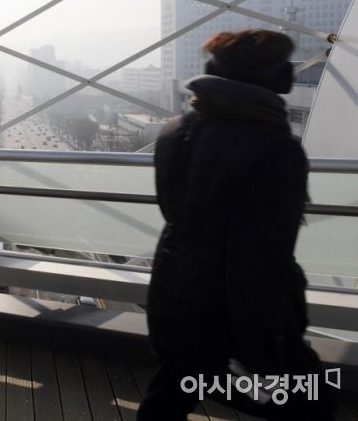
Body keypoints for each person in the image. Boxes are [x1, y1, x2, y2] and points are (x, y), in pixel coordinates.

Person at [138, 30, 335, 419]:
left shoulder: (174, 131)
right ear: (273, 77)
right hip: (238, 306)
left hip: (174, 286)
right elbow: (261, 256)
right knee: (309, 402)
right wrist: (264, 343)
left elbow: (174, 211)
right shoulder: (275, 148)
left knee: (175, 383)